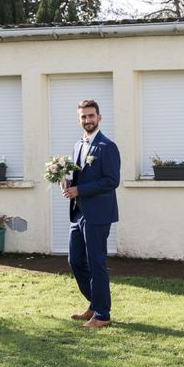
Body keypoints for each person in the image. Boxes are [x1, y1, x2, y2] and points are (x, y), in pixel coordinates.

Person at [62, 99, 120, 329]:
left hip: (98, 214)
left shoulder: (107, 146)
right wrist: (66, 183)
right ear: (79, 119)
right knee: (75, 260)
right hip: (78, 213)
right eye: (83, 117)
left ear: (99, 117)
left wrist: (81, 189)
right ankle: (94, 304)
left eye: (91, 116)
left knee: (96, 263)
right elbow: (78, 177)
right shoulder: (78, 145)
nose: (88, 120)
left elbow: (112, 180)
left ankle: (103, 315)